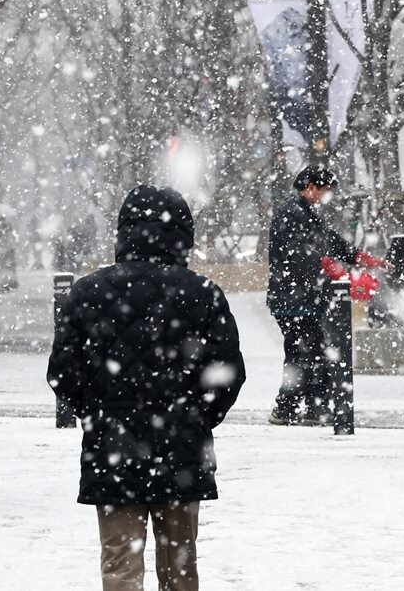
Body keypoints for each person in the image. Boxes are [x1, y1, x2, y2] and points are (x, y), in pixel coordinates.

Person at [48, 184, 246, 591]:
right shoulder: (203, 294)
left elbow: (62, 372)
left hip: (112, 450)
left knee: (120, 565)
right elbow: (227, 373)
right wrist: (196, 418)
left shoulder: (87, 292)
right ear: (183, 235)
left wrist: (98, 412)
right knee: (180, 567)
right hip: (182, 450)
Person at [266, 166, 382, 426]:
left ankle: (307, 408)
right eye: (324, 190)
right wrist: (329, 266)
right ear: (311, 187)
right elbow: (296, 253)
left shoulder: (305, 213)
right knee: (306, 353)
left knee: (310, 352)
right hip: (292, 299)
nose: (324, 196)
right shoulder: (291, 213)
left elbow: (327, 240)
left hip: (302, 298)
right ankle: (294, 408)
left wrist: (357, 258)